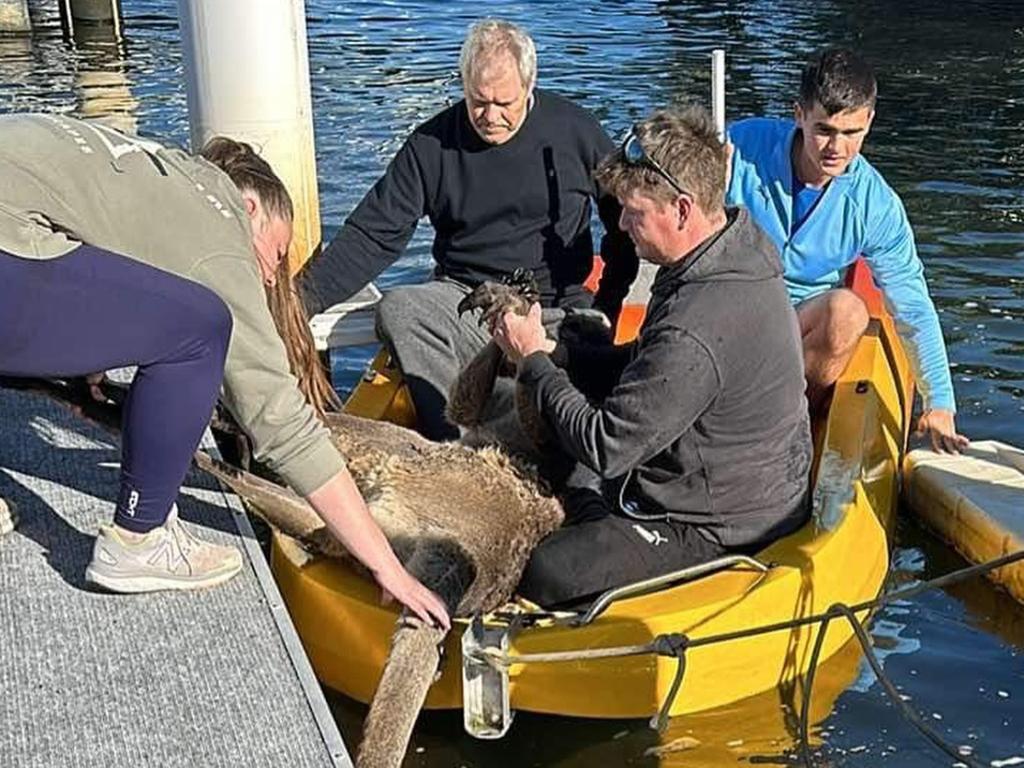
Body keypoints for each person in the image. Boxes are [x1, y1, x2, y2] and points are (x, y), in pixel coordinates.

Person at [0, 113, 449, 629]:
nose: (272, 275)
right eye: (277, 254)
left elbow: (90, 280)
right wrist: (389, 567)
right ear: (251, 205)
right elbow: (280, 423)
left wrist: (88, 361)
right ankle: (138, 541)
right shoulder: (219, 232)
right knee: (200, 328)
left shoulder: (157, 170)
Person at [490, 107, 812, 607]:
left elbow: (606, 446)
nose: (620, 223)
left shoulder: (698, 323)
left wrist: (532, 361)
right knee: (561, 446)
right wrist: (558, 352)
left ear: (682, 210)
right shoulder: (735, 245)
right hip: (749, 482)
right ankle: (597, 509)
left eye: (634, 213)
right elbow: (646, 362)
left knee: (551, 570)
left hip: (721, 525)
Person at [299, 18, 637, 440]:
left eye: (504, 104)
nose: (490, 116)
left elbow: (625, 225)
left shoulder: (576, 132)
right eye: (478, 101)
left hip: (555, 308)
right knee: (400, 309)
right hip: (467, 303)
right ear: (463, 85)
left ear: (529, 88)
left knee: (589, 354)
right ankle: (455, 437)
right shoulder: (431, 145)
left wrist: (609, 305)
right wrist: (297, 303)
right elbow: (373, 235)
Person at [726, 47, 967, 454]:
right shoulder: (739, 144)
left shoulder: (875, 204)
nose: (836, 147)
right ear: (798, 114)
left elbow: (911, 302)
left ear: (869, 122)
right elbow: (648, 155)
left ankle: (782, 422)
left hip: (795, 330)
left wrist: (940, 401)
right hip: (723, 305)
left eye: (851, 133)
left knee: (848, 312)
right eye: (824, 129)